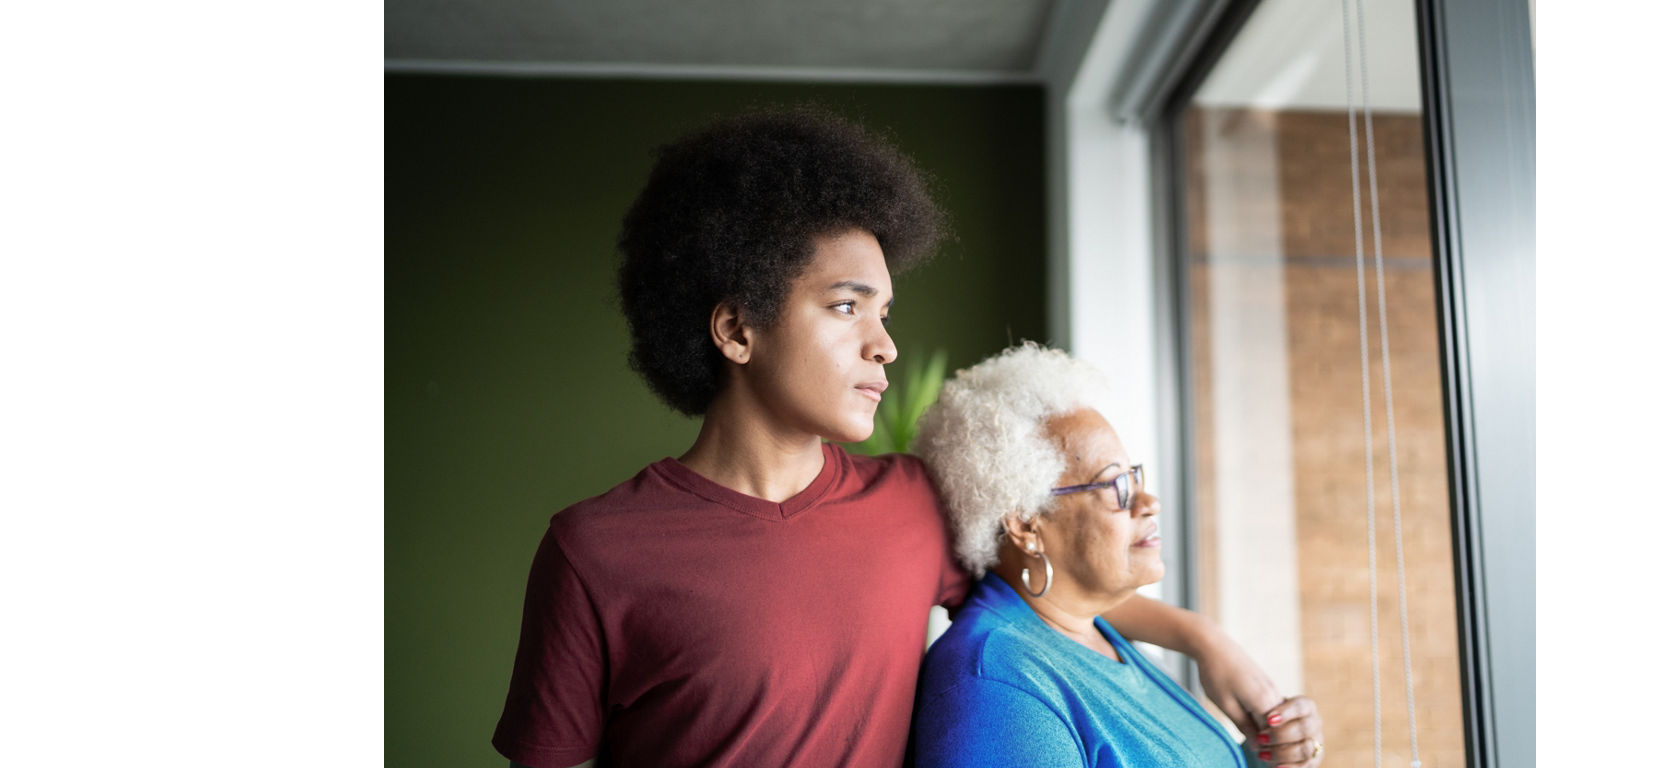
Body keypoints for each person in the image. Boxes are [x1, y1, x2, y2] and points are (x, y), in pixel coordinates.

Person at [491, 107, 1294, 768]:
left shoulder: (911, 505)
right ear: (737, 329)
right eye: (847, 307)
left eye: (885, 313)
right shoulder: (594, 552)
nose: (885, 346)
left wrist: (1202, 638)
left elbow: (1053, 591)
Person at [910, 344, 1327, 768]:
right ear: (1026, 525)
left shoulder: (1094, 632)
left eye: (1133, 477)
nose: (1149, 502)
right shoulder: (1000, 688)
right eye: (1116, 486)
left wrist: (1266, 758)